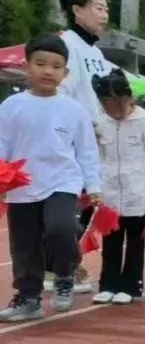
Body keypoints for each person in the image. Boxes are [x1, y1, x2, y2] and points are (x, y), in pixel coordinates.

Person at [0, 35, 101, 321]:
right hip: (22, 184)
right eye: (41, 64)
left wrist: (93, 184)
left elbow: (86, 150)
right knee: (25, 243)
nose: (48, 71)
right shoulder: (11, 106)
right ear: (26, 66)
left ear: (65, 73)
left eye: (56, 66)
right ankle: (28, 298)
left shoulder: (73, 109)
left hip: (63, 181)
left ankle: (65, 273)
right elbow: (2, 143)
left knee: (61, 227)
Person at [91, 69, 145, 305]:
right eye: (107, 103)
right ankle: (108, 284)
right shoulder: (100, 123)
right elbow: (96, 155)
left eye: (119, 102)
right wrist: (94, 185)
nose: (114, 108)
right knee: (111, 241)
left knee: (135, 240)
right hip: (110, 191)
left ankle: (132, 285)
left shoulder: (144, 121)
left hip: (139, 190)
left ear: (129, 99)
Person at [57, 0, 114, 294]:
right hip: (75, 140)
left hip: (95, 140)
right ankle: (61, 266)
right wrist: (79, 128)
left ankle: (64, 263)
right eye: (98, 7)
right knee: (72, 206)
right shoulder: (67, 44)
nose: (105, 14)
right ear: (77, 10)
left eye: (106, 8)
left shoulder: (95, 50)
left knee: (89, 204)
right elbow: (65, 91)